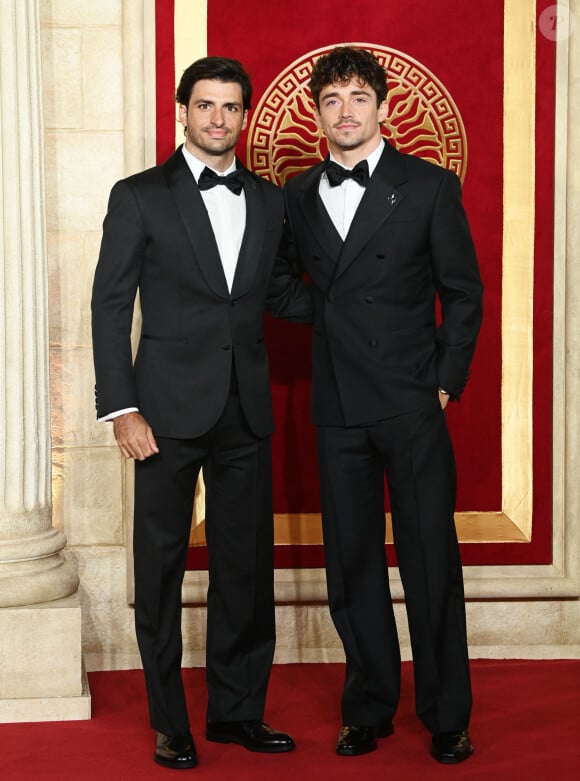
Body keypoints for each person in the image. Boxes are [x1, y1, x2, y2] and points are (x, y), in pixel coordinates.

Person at [91, 56, 312, 770]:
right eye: (205, 105)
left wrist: (370, 312)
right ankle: (170, 722)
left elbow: (279, 293)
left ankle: (237, 710)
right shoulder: (139, 196)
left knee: (244, 568)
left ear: (246, 117)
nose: (218, 118)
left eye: (230, 107)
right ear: (182, 112)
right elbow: (110, 305)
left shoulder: (272, 199)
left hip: (244, 408)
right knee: (159, 568)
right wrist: (121, 407)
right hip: (159, 411)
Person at [282, 46, 483, 764]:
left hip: (410, 401)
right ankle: (367, 705)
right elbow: (282, 283)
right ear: (316, 112)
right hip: (337, 404)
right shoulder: (298, 194)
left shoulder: (427, 185)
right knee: (353, 562)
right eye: (331, 99)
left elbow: (463, 292)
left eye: (358, 98)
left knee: (431, 559)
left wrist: (442, 380)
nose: (345, 111)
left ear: (384, 106)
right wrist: (332, 316)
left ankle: (446, 713)